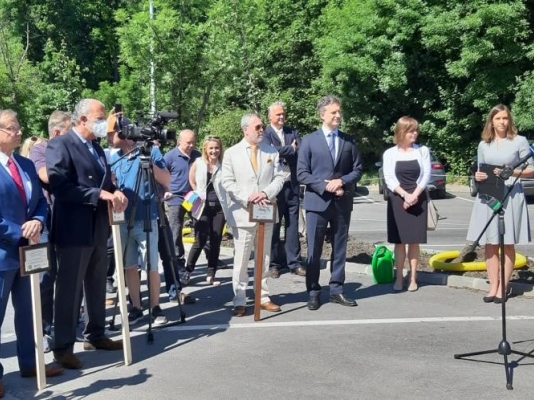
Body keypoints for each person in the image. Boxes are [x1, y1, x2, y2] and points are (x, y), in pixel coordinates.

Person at [46, 99, 128, 370]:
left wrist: (116, 193)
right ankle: (63, 346)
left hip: (98, 227)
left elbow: (105, 182)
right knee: (69, 290)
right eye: (100, 117)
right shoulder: (61, 144)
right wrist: (97, 194)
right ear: (82, 119)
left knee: (96, 283)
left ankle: (96, 334)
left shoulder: (96, 147)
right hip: (73, 229)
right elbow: (60, 184)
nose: (106, 121)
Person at [0, 109, 64, 397]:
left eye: (18, 127)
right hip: (3, 253)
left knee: (29, 312)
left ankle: (30, 362)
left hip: (29, 252)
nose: (19, 132)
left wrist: (37, 221)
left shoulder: (25, 164)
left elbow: (39, 201)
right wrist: (19, 233)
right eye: (12, 128)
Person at [296, 95, 362, 311]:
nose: (338, 115)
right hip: (317, 203)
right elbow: (302, 173)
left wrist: (341, 181)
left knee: (340, 248)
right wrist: (325, 186)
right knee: (314, 250)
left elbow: (357, 169)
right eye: (333, 112)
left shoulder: (348, 141)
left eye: (339, 111)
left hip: (342, 203)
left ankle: (336, 290)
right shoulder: (309, 140)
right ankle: (313, 291)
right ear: (322, 114)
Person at [466, 104, 533, 303]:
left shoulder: (519, 141)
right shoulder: (483, 144)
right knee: (490, 243)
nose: (502, 122)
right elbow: (480, 170)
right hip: (488, 194)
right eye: (498, 118)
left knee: (507, 242)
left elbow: (531, 169)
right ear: (491, 122)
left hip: (511, 194)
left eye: (505, 118)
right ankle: (493, 285)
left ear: (509, 120)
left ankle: (504, 287)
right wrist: (477, 176)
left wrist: (510, 172)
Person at [221, 113, 286, 317]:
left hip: (265, 210)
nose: (261, 130)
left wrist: (266, 193)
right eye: (257, 127)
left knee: (264, 257)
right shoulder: (232, 153)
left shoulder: (271, 151)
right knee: (241, 260)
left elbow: (279, 177)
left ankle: (263, 296)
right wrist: (248, 197)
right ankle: (239, 299)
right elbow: (227, 182)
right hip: (243, 213)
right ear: (245, 129)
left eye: (262, 126)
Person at [109, 117, 170, 326]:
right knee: (129, 266)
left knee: (151, 265)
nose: (108, 137)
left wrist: (149, 163)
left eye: (111, 133)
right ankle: (136, 306)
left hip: (146, 216)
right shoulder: (114, 158)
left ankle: (155, 306)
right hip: (122, 220)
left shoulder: (151, 152)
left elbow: (167, 180)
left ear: (124, 134)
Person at [28, 110, 72, 352]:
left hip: (67, 219)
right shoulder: (40, 150)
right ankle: (42, 330)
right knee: (46, 277)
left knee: (67, 275)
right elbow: (45, 175)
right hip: (45, 221)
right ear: (56, 133)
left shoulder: (71, 150)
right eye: (67, 134)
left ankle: (66, 324)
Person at [382, 117, 431, 293]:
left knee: (414, 241)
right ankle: (399, 278)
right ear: (401, 132)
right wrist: (404, 195)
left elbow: (426, 175)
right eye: (411, 131)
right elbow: (388, 178)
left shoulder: (422, 151)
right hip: (397, 198)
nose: (415, 133)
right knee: (400, 242)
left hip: (418, 198)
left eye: (416, 130)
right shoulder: (390, 153)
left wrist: (414, 195)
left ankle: (413, 278)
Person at [262, 101, 305, 278]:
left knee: (293, 224)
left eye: (283, 114)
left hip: (292, 185)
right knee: (274, 224)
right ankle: (273, 263)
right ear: (270, 116)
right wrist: (289, 149)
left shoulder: (292, 132)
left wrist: (282, 151)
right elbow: (269, 153)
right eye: (278, 114)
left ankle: (294, 262)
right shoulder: (265, 134)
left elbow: (300, 150)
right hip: (274, 186)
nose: (281, 117)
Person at [183, 136, 227, 286]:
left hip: (219, 207)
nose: (214, 151)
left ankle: (211, 273)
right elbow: (191, 179)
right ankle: (188, 271)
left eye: (217, 148)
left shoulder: (224, 165)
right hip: (201, 207)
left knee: (216, 242)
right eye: (211, 148)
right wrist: (197, 191)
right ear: (205, 149)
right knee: (200, 240)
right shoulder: (198, 163)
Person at [164, 129, 201, 264]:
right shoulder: (169, 157)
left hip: (194, 197)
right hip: (176, 198)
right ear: (179, 141)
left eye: (193, 142)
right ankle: (178, 260)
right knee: (176, 229)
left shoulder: (198, 156)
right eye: (188, 143)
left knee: (202, 226)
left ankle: (211, 257)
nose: (191, 145)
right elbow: (161, 176)